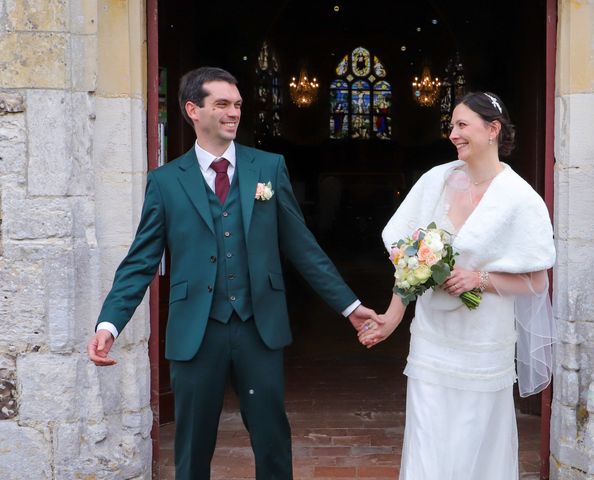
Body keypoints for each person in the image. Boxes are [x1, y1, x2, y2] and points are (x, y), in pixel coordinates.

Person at [86, 66, 381, 480]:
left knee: (272, 439)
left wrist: (349, 306)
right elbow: (141, 261)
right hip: (195, 330)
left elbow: (302, 246)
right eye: (222, 104)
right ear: (193, 110)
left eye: (237, 104)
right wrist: (109, 324)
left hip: (258, 326)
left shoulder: (268, 168)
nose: (233, 113)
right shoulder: (166, 182)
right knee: (191, 446)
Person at [359, 92, 556, 479]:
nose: (453, 134)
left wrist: (479, 278)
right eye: (452, 126)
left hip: (482, 343)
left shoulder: (520, 199)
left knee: (473, 439)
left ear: (493, 130)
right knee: (426, 437)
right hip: (432, 338)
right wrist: (393, 317)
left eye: (462, 125)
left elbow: (537, 280)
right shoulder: (436, 180)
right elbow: (409, 262)